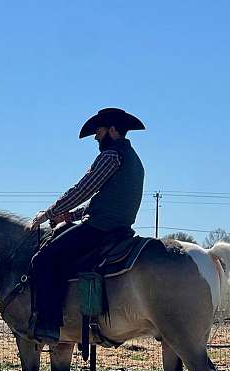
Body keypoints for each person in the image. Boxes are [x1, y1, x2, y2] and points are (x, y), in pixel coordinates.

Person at [28, 107, 146, 343]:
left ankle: (50, 324)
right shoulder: (134, 160)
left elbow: (84, 188)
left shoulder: (111, 156)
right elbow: (103, 201)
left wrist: (49, 213)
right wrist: (69, 216)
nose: (95, 137)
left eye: (99, 131)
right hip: (119, 229)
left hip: (100, 229)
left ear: (112, 131)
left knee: (42, 260)